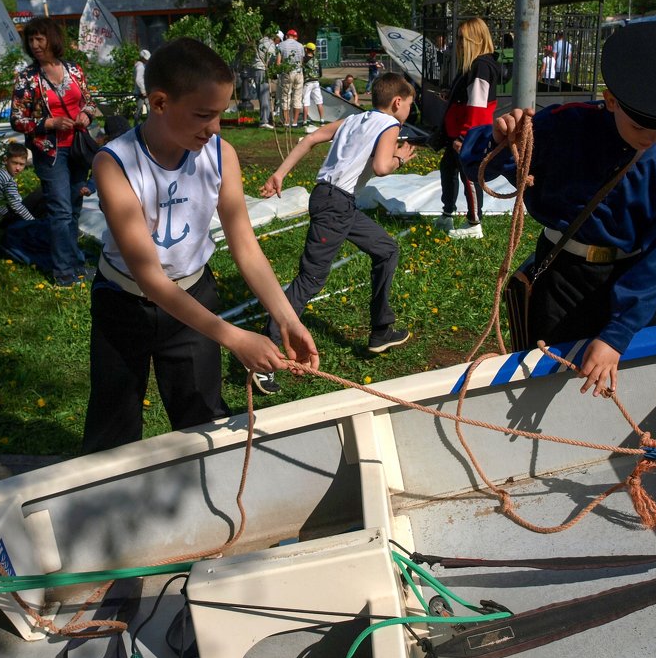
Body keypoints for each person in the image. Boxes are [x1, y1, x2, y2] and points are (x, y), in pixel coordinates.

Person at [82, 38, 319, 453]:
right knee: (112, 427)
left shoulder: (220, 154)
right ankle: (109, 508)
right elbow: (151, 279)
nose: (214, 129)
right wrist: (235, 337)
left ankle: (211, 503)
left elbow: (244, 244)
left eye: (221, 115)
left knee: (203, 416)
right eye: (203, 115)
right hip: (124, 303)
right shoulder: (114, 163)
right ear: (159, 103)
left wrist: (285, 316)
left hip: (194, 291)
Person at [460, 21, 656, 396]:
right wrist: (499, 139)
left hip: (632, 280)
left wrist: (616, 336)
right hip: (563, 276)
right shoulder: (564, 126)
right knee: (549, 375)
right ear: (611, 100)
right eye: (641, 127)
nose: (652, 139)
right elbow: (478, 163)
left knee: (633, 379)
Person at [253, 72, 416, 395]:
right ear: (398, 102)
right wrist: (399, 156)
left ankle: (381, 330)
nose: (409, 110)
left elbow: (311, 138)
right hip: (336, 204)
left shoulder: (356, 119)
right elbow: (382, 167)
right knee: (310, 279)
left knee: (386, 249)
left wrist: (280, 174)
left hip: (332, 200)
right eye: (410, 104)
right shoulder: (390, 125)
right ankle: (262, 357)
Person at [10, 17, 101, 287]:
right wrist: (49, 123)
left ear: (53, 39)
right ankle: (63, 273)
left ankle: (75, 263)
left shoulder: (74, 70)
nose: (35, 45)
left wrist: (86, 114)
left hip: (77, 147)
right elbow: (17, 119)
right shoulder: (27, 78)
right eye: (31, 40)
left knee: (73, 208)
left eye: (40, 39)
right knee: (60, 210)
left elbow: (89, 101)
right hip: (49, 152)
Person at [436, 17, 501, 241]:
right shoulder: (473, 66)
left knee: (469, 178)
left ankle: (475, 222)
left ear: (474, 39)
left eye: (462, 39)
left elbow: (478, 106)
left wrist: (465, 137)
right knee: (448, 170)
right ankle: (448, 213)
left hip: (468, 135)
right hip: (459, 133)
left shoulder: (481, 66)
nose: (458, 44)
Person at [0, 142, 52, 271]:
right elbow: (16, 206)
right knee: (42, 193)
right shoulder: (8, 181)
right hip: (4, 217)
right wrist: (32, 221)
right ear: (6, 160)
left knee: (40, 193)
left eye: (21, 164)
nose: (18, 168)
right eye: (14, 163)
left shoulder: (1, 173)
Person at [277, 28, 305, 128]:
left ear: (286, 36)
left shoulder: (281, 45)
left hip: (287, 73)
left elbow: (278, 63)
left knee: (286, 98)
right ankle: (295, 122)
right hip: (298, 73)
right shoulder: (300, 46)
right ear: (295, 37)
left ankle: (286, 121)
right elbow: (301, 62)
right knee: (297, 98)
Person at [253, 30, 278, 129]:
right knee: (264, 96)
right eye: (278, 40)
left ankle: (265, 119)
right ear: (276, 37)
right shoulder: (269, 44)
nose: (278, 43)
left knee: (263, 96)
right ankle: (264, 121)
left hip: (258, 69)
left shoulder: (262, 41)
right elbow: (271, 59)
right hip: (262, 70)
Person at [301, 41, 324, 128]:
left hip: (308, 82)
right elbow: (320, 73)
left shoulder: (303, 59)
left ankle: (304, 121)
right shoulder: (317, 60)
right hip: (316, 82)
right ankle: (322, 120)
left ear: (306, 49)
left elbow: (302, 71)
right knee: (319, 101)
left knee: (306, 101)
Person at [134, 49, 151, 123]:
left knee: (141, 109)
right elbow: (138, 79)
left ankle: (136, 124)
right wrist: (143, 90)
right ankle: (137, 125)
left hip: (141, 91)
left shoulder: (139, 65)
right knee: (144, 109)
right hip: (142, 92)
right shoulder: (140, 66)